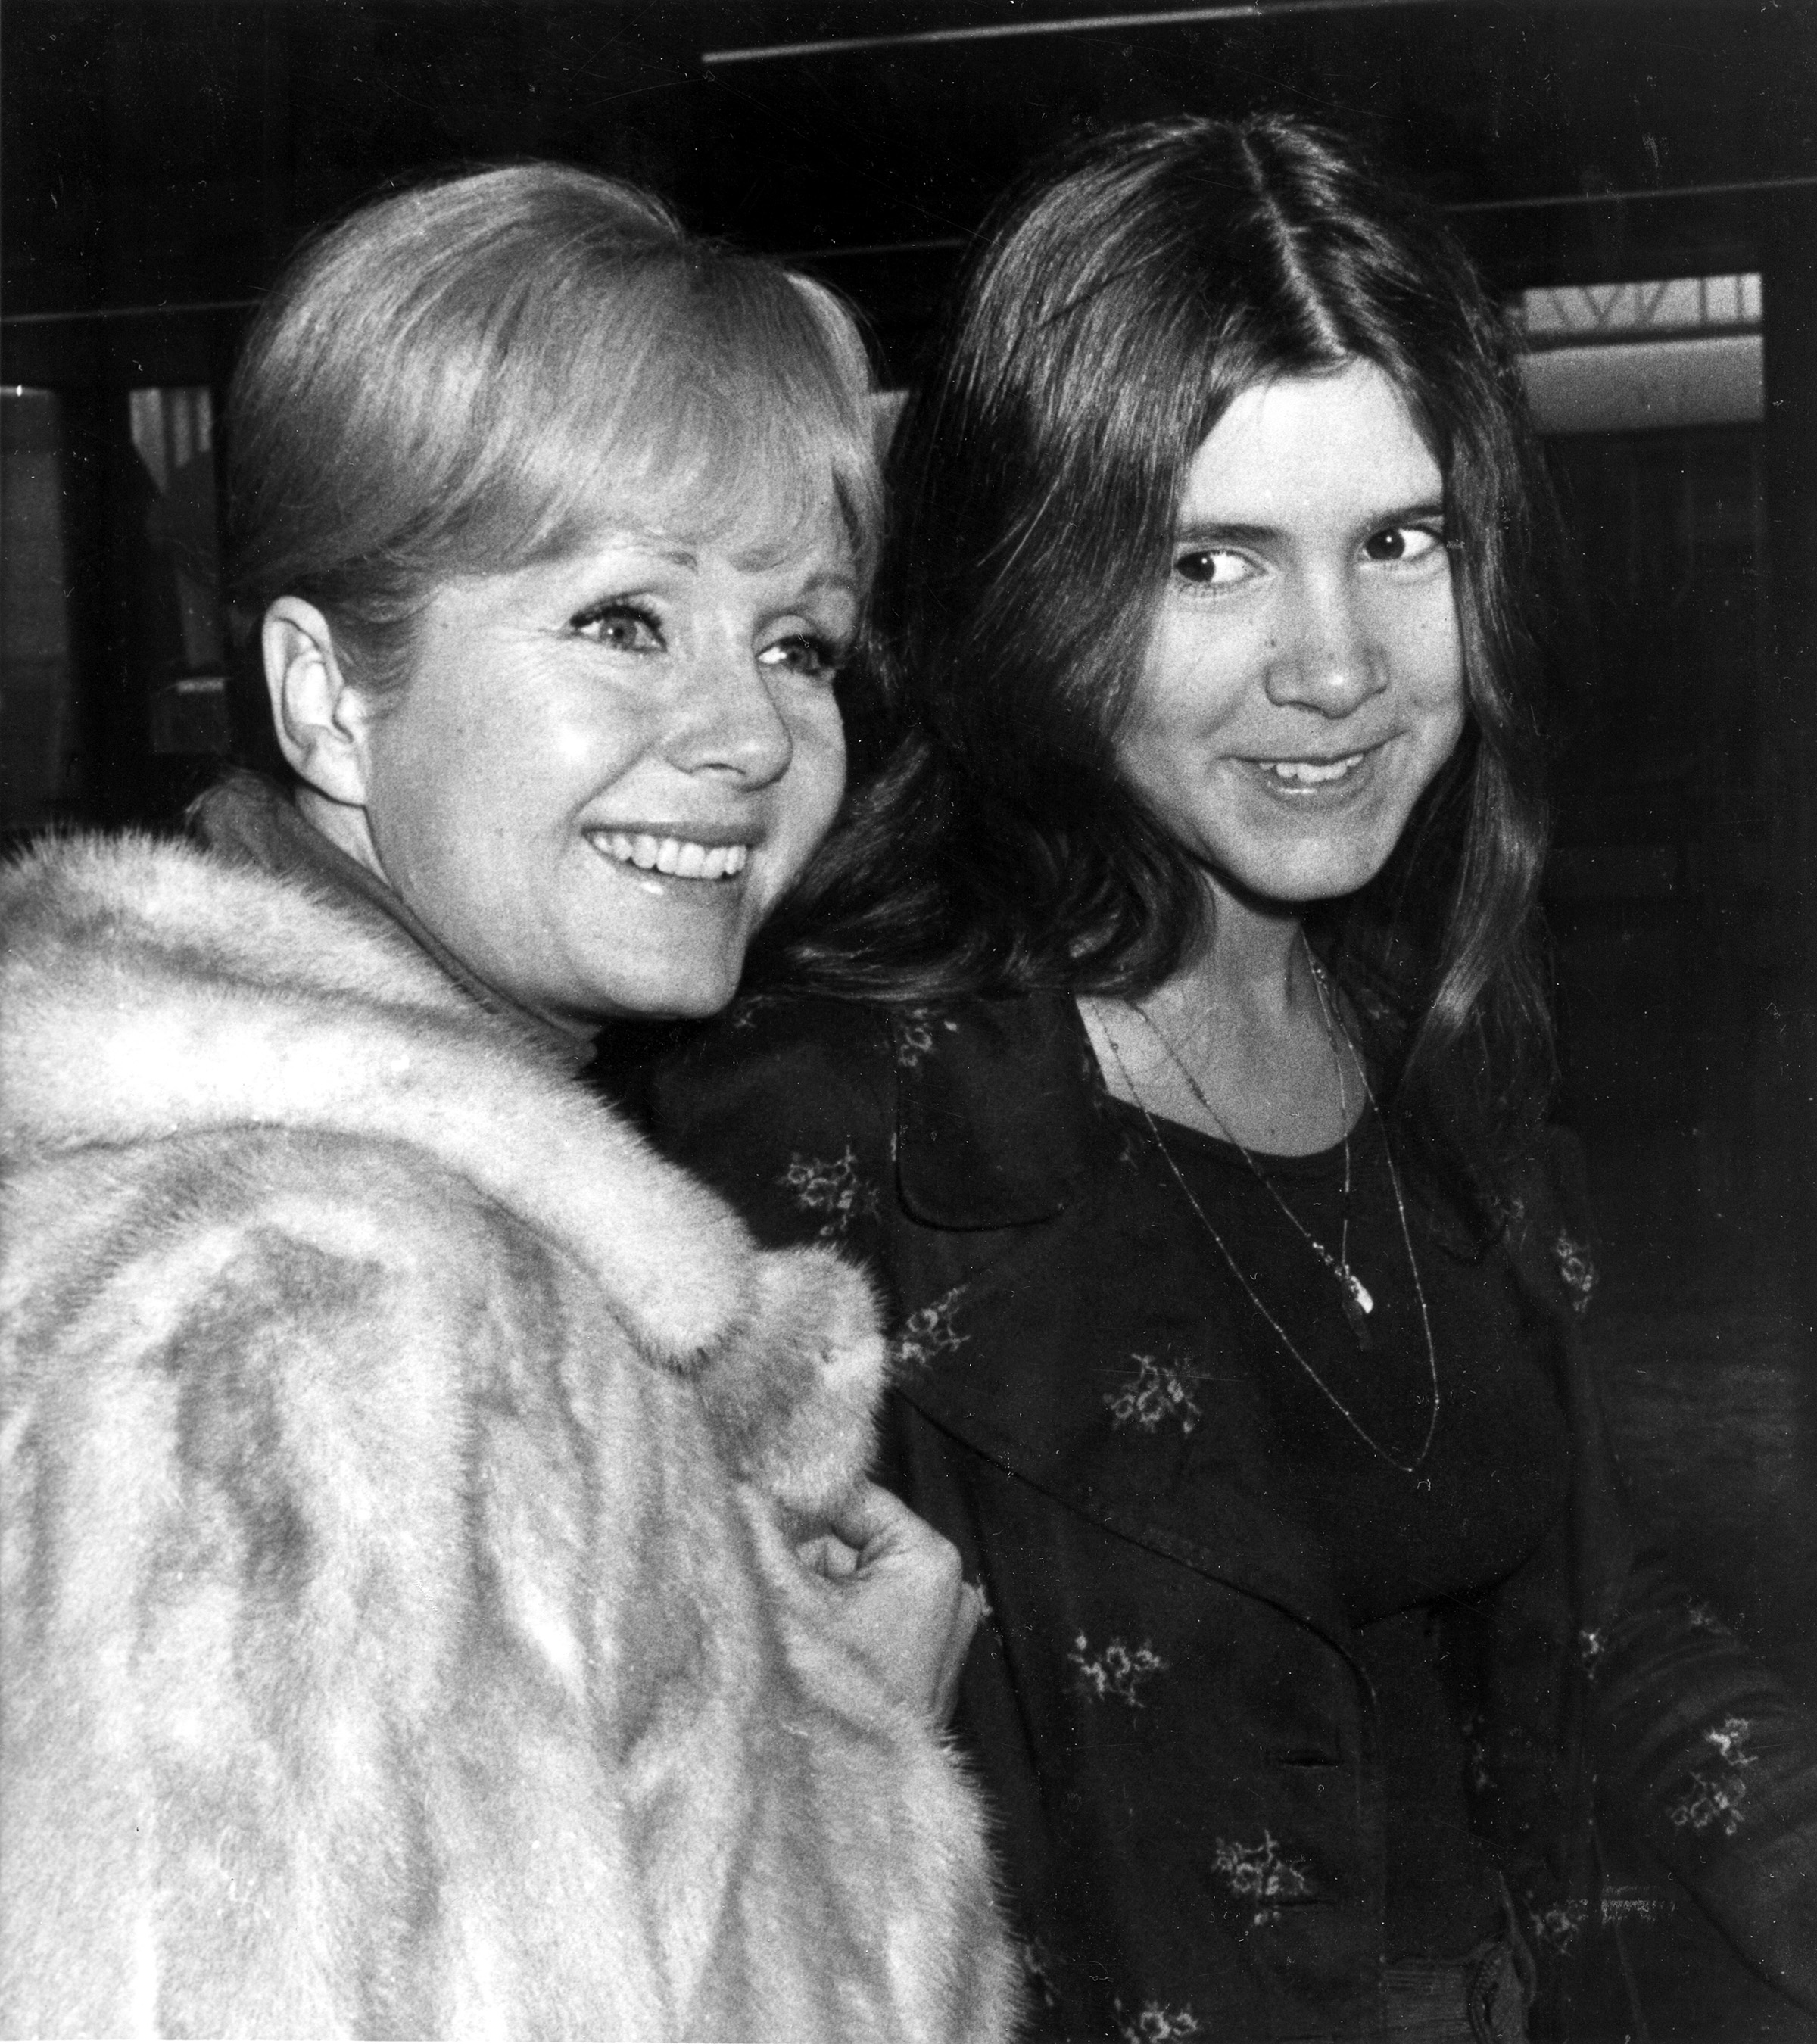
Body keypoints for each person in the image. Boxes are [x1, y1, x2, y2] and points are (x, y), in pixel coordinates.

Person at [637, 117, 1817, 2041]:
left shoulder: (1430, 1028)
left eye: (1400, 542)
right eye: (1211, 563)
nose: (1338, 666)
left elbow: (1605, 1628)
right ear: (1039, 587)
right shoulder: (815, 1130)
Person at [0, 164, 1018, 2041]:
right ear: (326, 701)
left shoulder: (334, 1237)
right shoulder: (307, 1312)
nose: (747, 735)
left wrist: (775, 1712)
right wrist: (828, 1758)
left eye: (796, 642)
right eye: (625, 619)